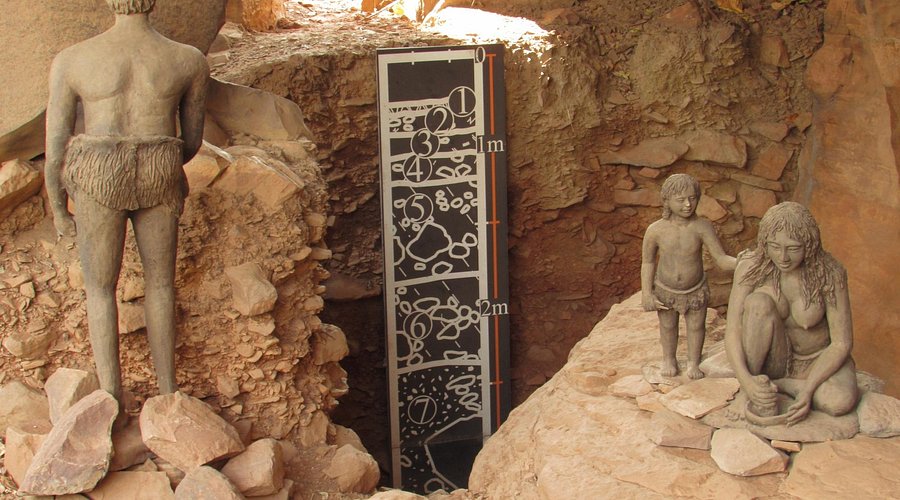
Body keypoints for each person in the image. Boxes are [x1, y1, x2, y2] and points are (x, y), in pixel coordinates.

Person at [44, 0, 209, 403]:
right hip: (159, 164)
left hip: (98, 170)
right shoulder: (187, 59)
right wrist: (162, 166)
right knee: (160, 285)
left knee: (100, 288)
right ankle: (168, 392)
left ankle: (109, 395)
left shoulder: (73, 59)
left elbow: (56, 146)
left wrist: (56, 203)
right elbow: (191, 141)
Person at [725, 202, 858, 425]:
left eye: (793, 248)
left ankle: (786, 386)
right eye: (774, 246)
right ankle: (752, 389)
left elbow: (841, 343)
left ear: (810, 245)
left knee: (839, 402)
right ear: (764, 242)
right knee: (758, 303)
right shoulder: (750, 266)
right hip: (774, 358)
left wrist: (807, 390)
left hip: (817, 359)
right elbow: (733, 331)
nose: (783, 257)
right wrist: (746, 383)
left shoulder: (830, 273)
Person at [642, 174, 736, 379]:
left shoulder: (702, 227)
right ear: (666, 200)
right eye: (681, 199)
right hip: (666, 288)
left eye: (693, 198)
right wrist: (647, 293)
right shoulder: (656, 230)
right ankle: (669, 359)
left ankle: (693, 362)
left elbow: (721, 259)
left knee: (696, 326)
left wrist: (744, 262)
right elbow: (648, 262)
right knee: (667, 326)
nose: (688, 204)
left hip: (695, 289)